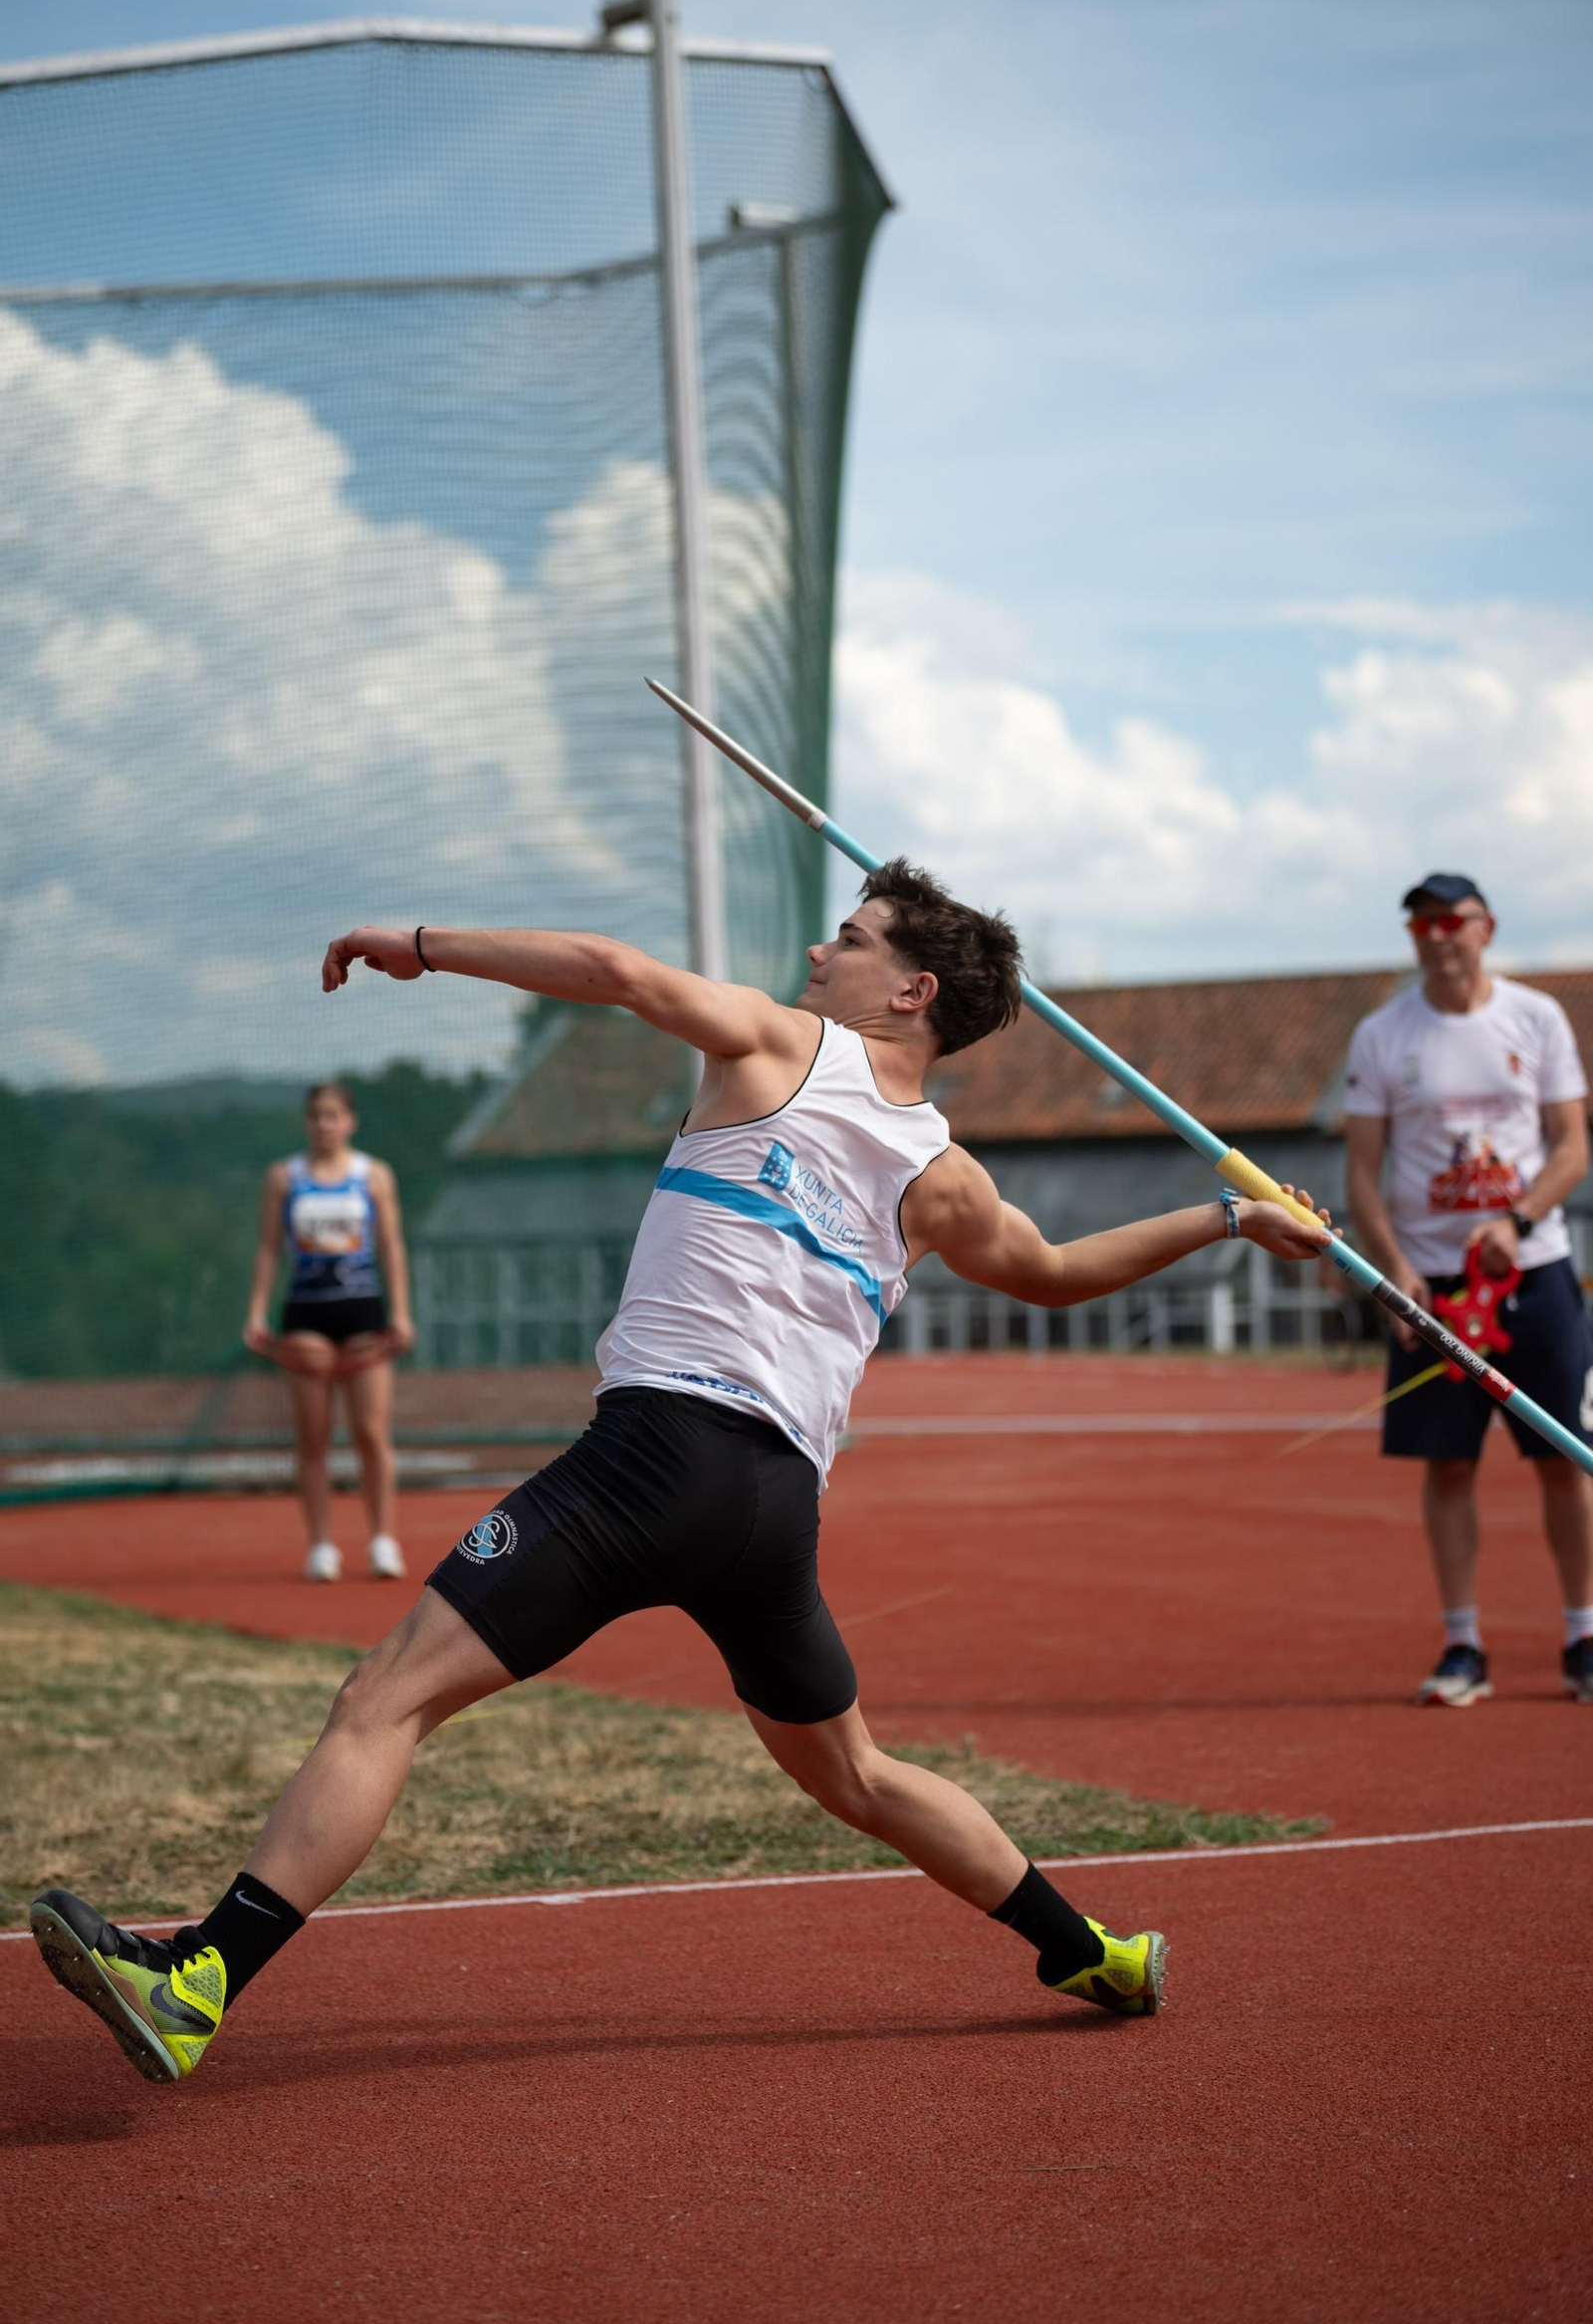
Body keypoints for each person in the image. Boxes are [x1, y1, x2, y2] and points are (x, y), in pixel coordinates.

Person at [31, 867, 1331, 2084]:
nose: (823, 948)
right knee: (860, 1777)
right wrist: (1229, 1214)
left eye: (855, 936)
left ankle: (199, 1980)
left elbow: (612, 966)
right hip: (773, 1512)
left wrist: (421, 946)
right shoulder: (948, 1177)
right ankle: (1087, 1948)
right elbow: (1052, 1270)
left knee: (381, 1702)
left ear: (911, 990)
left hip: (654, 1458)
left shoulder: (775, 1045)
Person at [1342, 873, 1593, 1708]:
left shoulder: (1536, 1018)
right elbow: (1363, 1175)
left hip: (1533, 1269)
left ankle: (1582, 1634)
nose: (1438, 935)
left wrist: (1516, 1223)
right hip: (1430, 1285)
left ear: (1486, 927)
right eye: (1421, 923)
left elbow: (1570, 1149)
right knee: (1448, 1465)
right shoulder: (1383, 1035)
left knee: (1564, 1458)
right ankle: (1462, 1644)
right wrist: (1393, 1275)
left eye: (1453, 920)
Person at [242, 1079, 415, 1583]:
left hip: (363, 1314)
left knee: (371, 1432)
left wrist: (401, 1314)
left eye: (334, 1115)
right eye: (317, 1115)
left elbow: (391, 1247)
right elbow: (269, 1249)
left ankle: (383, 1540)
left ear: (350, 1121)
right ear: (306, 1122)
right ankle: (320, 1546)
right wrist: (256, 1312)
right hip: (306, 1316)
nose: (325, 1124)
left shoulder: (373, 1174)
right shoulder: (284, 1177)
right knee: (313, 1438)